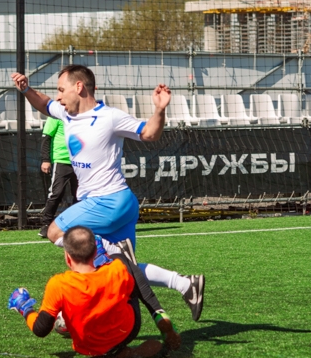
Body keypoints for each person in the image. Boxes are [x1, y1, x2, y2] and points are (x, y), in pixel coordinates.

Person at [10, 65, 205, 322]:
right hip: (120, 204)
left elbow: (149, 133)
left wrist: (159, 109)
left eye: (61, 89)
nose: (58, 96)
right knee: (122, 270)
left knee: (54, 231)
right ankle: (185, 284)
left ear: (79, 87)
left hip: (108, 202)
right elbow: (45, 103)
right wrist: (26, 90)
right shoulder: (66, 114)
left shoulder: (109, 117)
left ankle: (102, 252)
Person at [8, 226, 180, 358]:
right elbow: (138, 291)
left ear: (67, 257)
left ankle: (110, 347)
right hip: (125, 333)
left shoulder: (58, 284)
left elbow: (41, 329)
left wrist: (25, 309)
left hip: (87, 347)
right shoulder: (117, 269)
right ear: (95, 252)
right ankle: (161, 318)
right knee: (124, 263)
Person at [39, 118, 78, 238]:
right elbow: (46, 138)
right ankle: (46, 224)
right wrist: (46, 160)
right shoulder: (55, 116)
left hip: (80, 161)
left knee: (80, 194)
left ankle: (78, 224)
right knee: (56, 193)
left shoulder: (81, 115)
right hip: (61, 161)